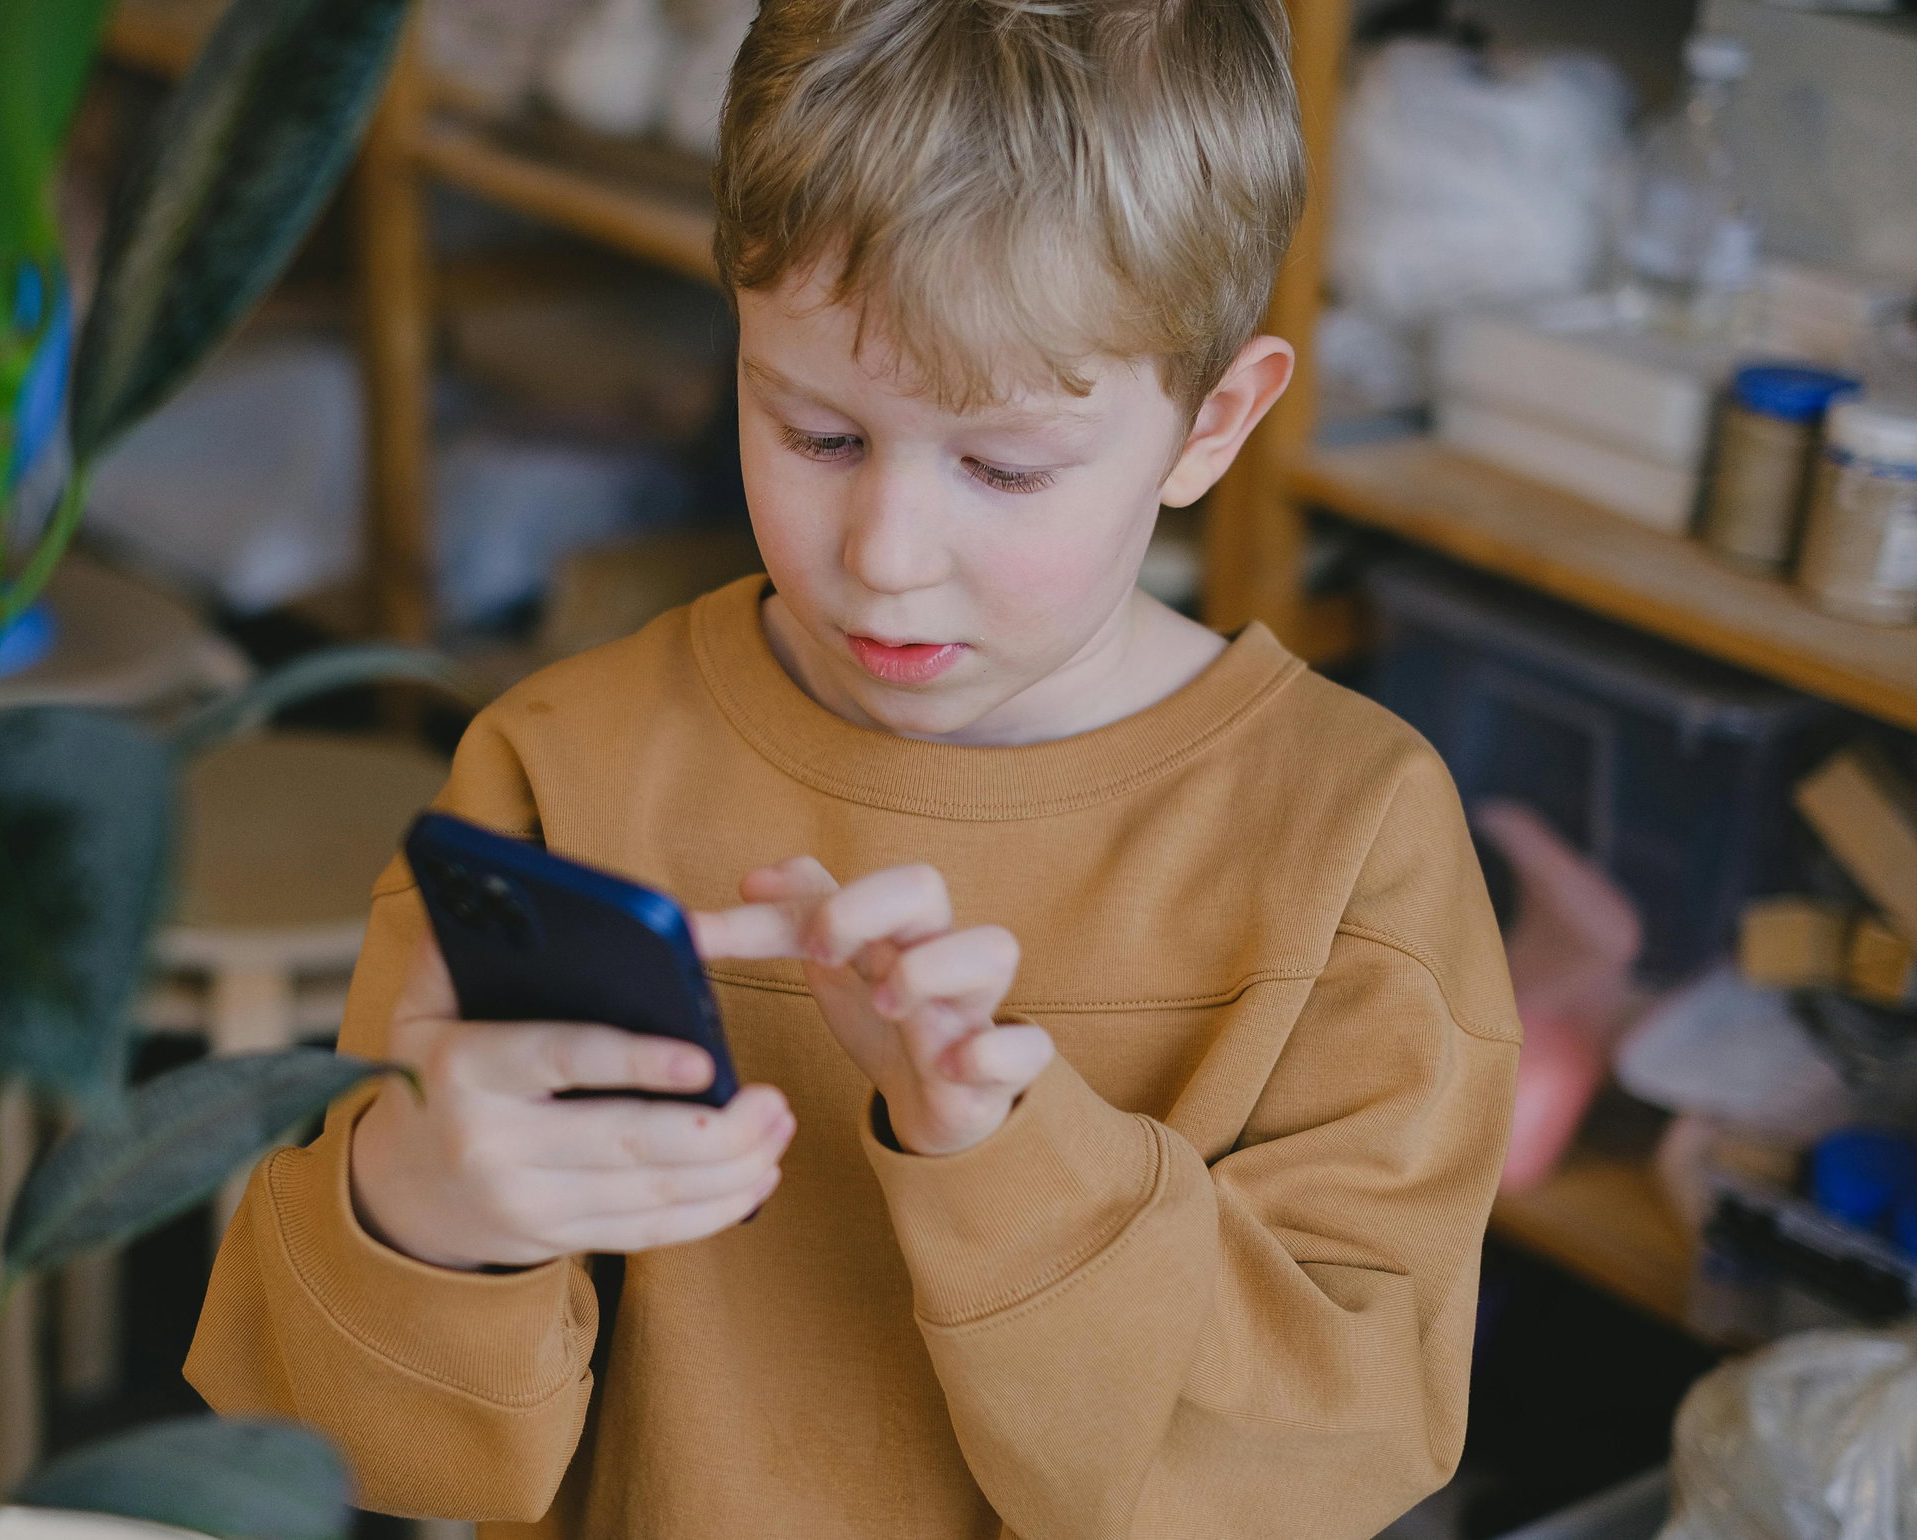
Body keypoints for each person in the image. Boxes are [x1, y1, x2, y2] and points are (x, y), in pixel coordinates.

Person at [186, 0, 1520, 1533]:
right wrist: (420, 1210)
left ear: (1213, 425)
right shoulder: (559, 770)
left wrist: (1012, 1162)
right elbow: (355, 1449)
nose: (885, 559)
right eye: (814, 431)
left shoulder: (1346, 843)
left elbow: (1327, 1459)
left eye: (1004, 468)